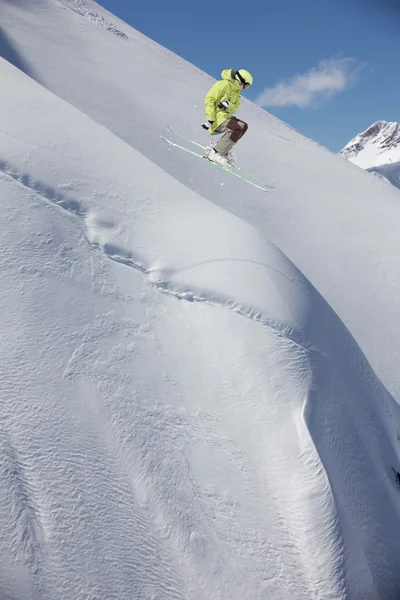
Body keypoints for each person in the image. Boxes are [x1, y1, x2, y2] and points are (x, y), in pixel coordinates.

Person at [202, 69, 253, 167]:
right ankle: (215, 153)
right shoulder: (223, 84)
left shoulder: (237, 94)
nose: (245, 88)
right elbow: (209, 99)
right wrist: (210, 118)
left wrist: (228, 105)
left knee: (243, 126)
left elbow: (235, 109)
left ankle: (223, 149)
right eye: (246, 85)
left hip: (225, 117)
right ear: (241, 80)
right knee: (236, 128)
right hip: (217, 118)